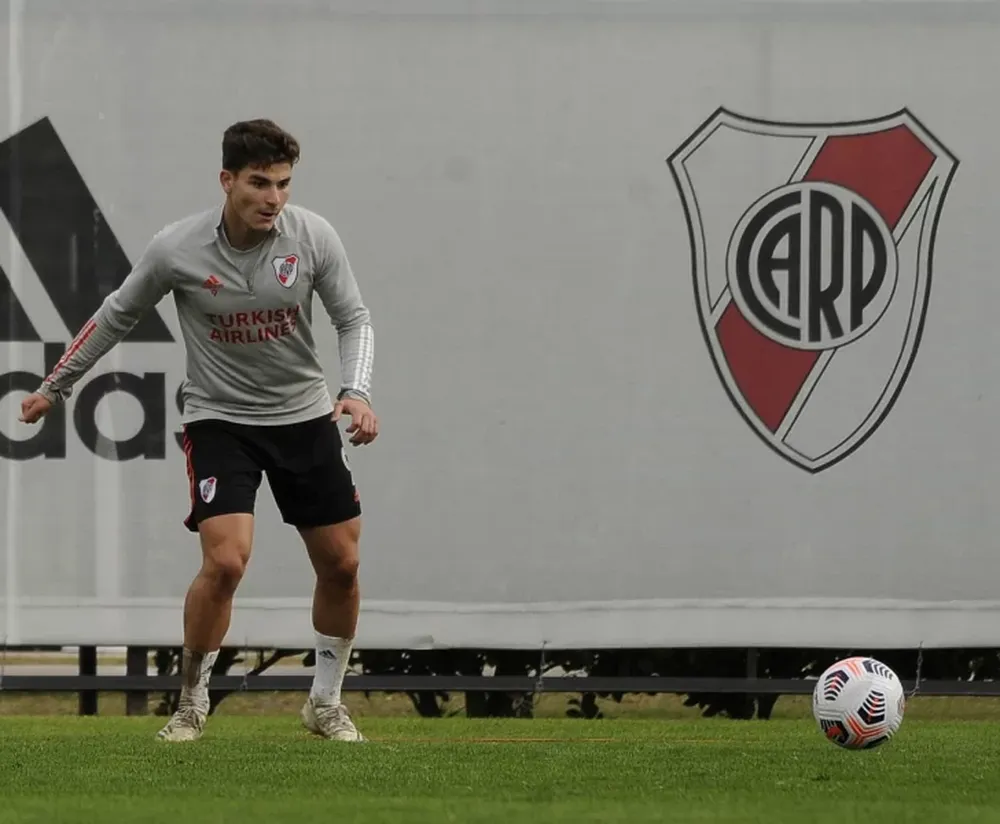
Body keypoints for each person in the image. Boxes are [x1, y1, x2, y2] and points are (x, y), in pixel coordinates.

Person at [18, 118, 378, 743]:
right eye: (259, 183)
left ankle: (324, 702)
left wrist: (357, 391)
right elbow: (115, 316)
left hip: (304, 416)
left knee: (343, 564)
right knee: (227, 561)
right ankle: (190, 703)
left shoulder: (312, 237)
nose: (273, 198)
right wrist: (55, 386)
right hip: (219, 419)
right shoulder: (176, 248)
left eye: (284, 184)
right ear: (226, 180)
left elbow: (354, 319)